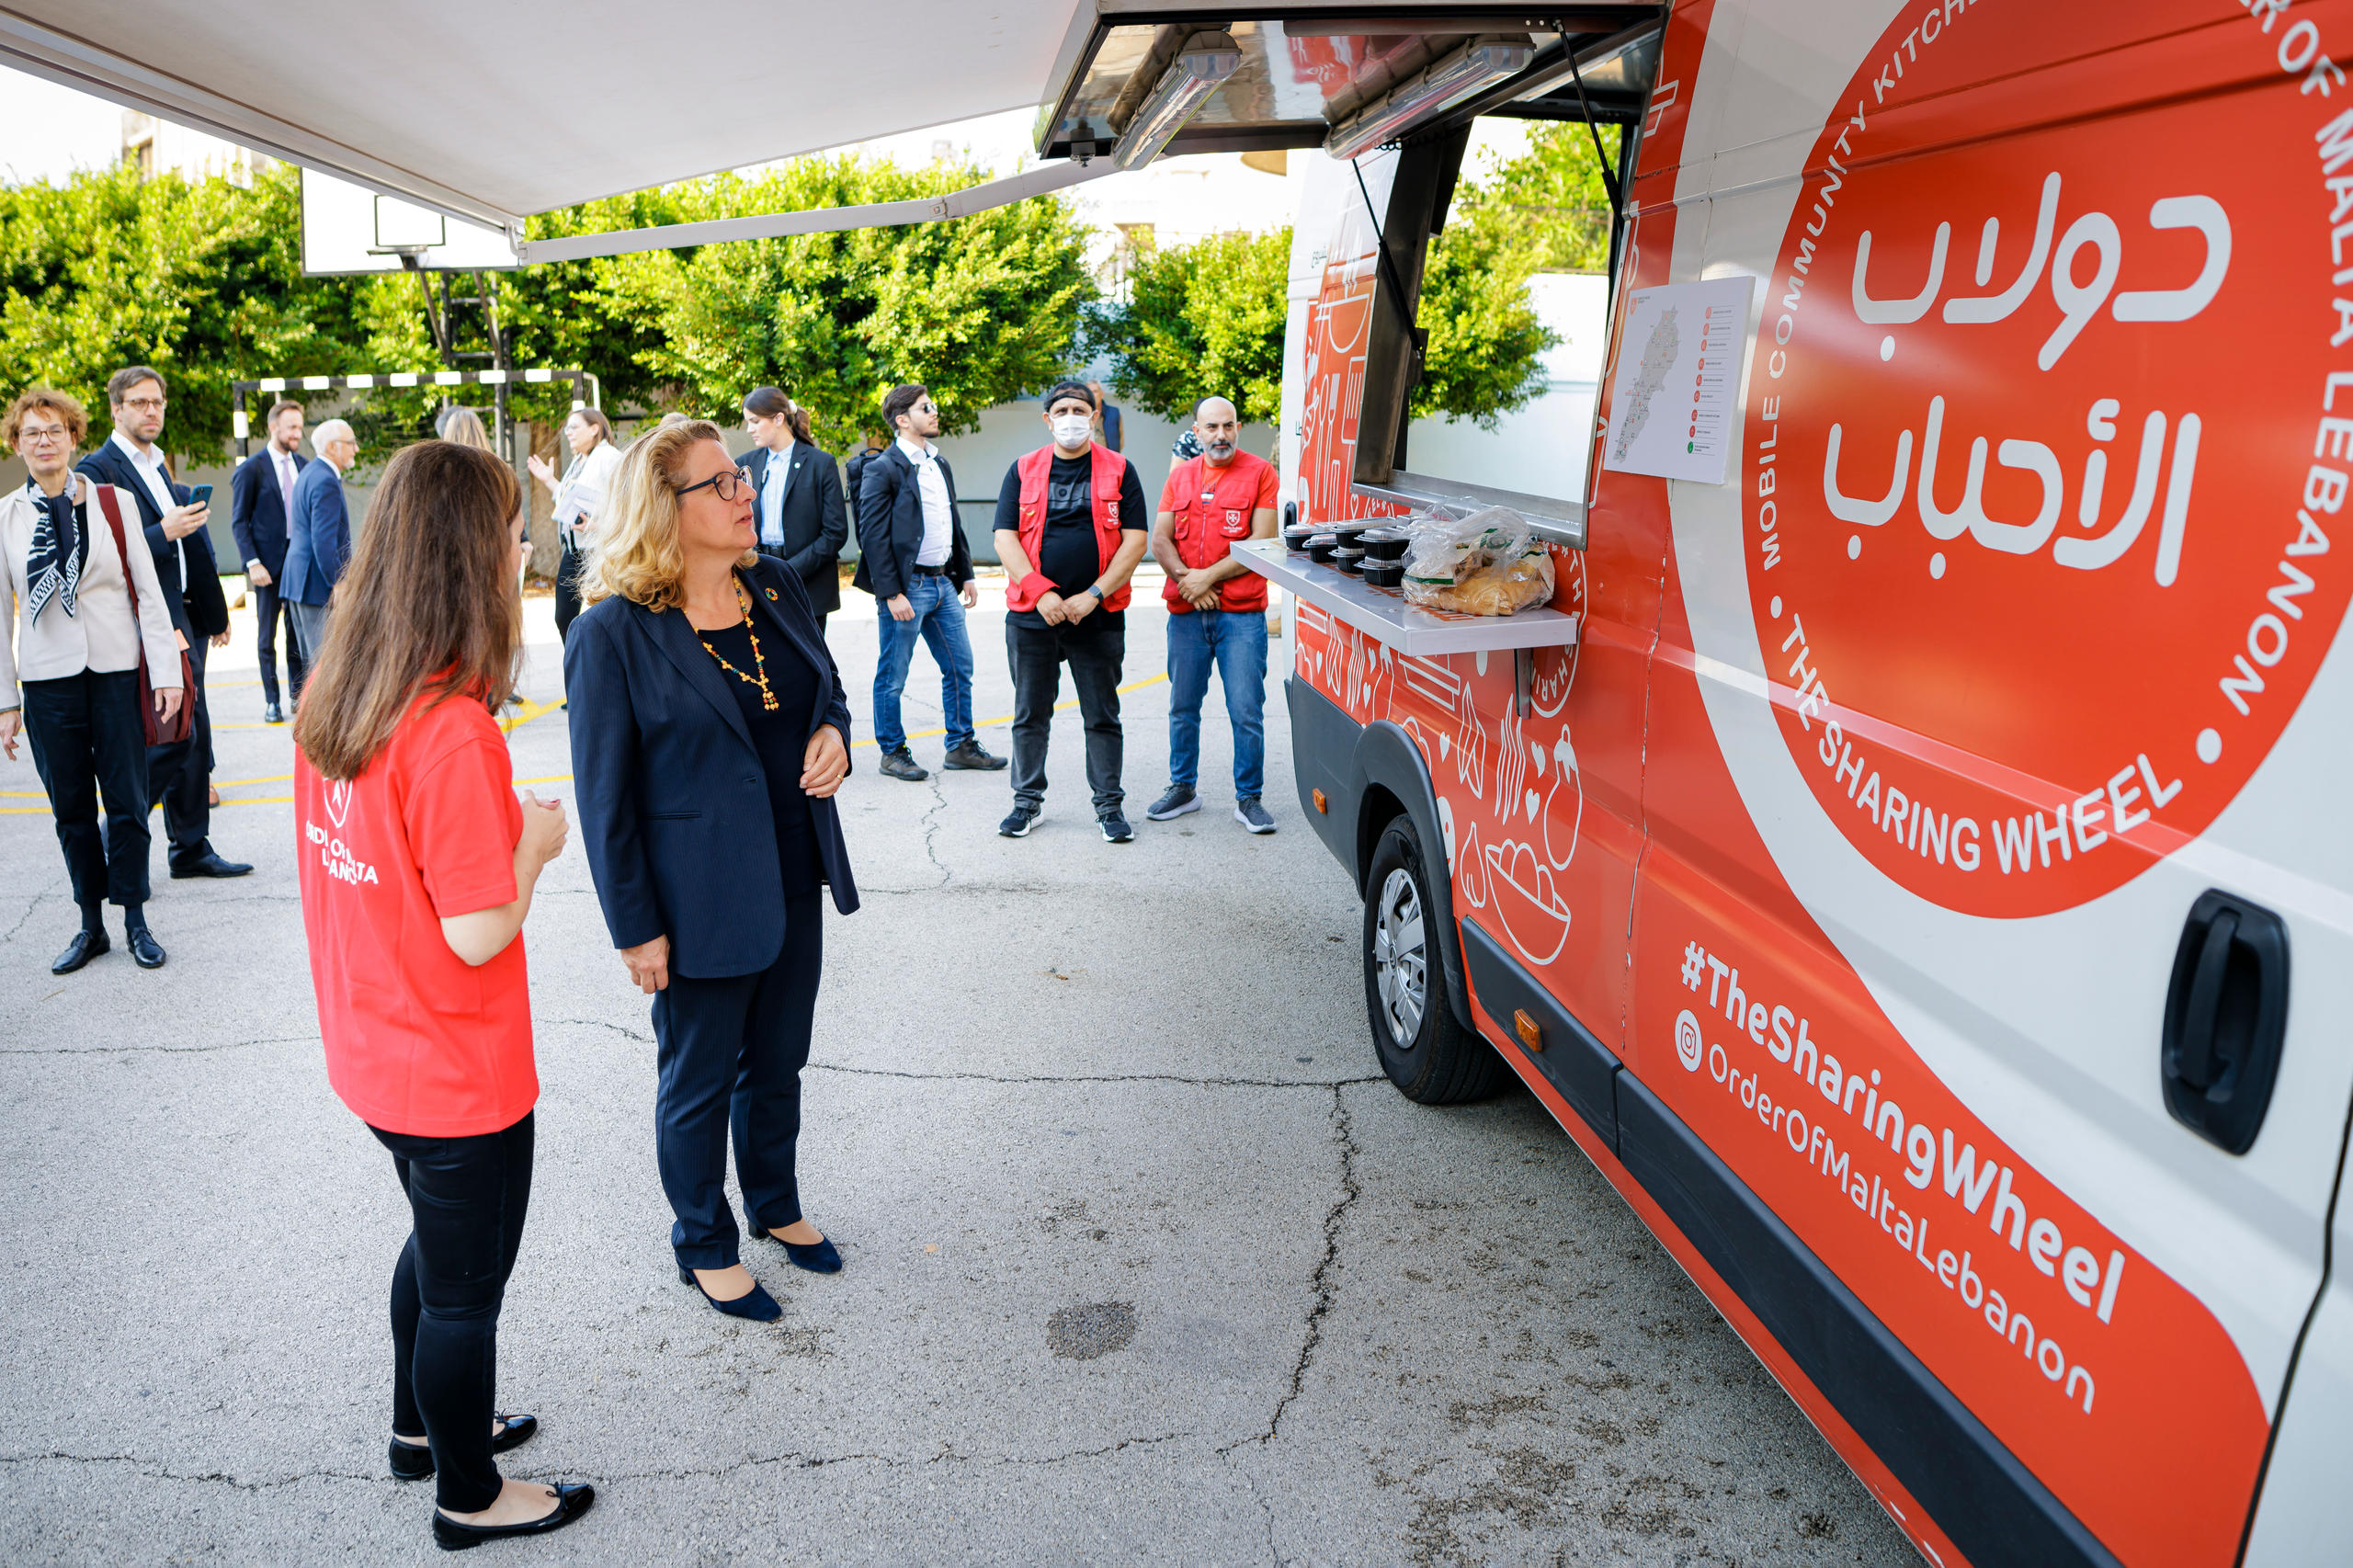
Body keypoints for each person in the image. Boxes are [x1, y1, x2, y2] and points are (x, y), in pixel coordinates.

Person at [291, 439, 595, 1552]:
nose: (525, 545)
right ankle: (470, 1495)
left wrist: (494, 827)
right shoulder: (451, 725)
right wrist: (536, 844)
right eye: (514, 529)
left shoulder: (345, 680)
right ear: (470, 555)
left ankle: (419, 1428)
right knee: (465, 1289)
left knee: (433, 1247)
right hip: (453, 1068)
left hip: (373, 1046)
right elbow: (478, 929)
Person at [565, 420, 859, 1323]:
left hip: (792, 867)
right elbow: (603, 798)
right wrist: (634, 926)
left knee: (777, 1060)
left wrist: (835, 735)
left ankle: (774, 1201)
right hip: (694, 898)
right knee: (697, 1075)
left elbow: (827, 686)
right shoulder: (613, 632)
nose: (745, 493)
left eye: (741, 478)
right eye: (722, 483)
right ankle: (702, 1238)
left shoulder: (773, 585)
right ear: (667, 507)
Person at [0, 386, 185, 973]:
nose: (44, 441)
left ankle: (135, 918)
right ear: (17, 445)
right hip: (48, 682)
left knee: (128, 800)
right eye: (32, 432)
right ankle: (90, 924)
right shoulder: (6, 515)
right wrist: (6, 702)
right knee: (71, 807)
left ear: (75, 437)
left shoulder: (113, 502)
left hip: (114, 671)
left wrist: (165, 672)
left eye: (54, 430)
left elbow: (149, 594)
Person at [76, 365, 248, 881]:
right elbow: (97, 553)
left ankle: (190, 846)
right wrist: (162, 531)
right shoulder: (97, 469)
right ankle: (115, 842)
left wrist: (213, 615)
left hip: (185, 619)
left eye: (157, 402)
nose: (151, 411)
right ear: (116, 409)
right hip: (140, 626)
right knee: (173, 738)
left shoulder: (157, 465)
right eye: (140, 403)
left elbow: (194, 547)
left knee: (195, 734)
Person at [991, 379, 1149, 843]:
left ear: (1095, 416)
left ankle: (1108, 807)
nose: (1071, 419)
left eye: (1080, 410)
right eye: (1061, 411)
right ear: (1047, 419)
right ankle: (1026, 803)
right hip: (1032, 614)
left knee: (1101, 715)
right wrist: (1041, 593)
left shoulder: (1120, 470)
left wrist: (1093, 594)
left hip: (1097, 615)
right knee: (1030, 713)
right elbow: (1005, 537)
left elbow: (1135, 540)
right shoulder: (1022, 469)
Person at [854, 384, 1004, 782]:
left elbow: (951, 523)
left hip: (943, 586)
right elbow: (872, 535)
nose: (935, 413)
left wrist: (966, 573)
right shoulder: (882, 468)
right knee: (893, 675)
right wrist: (890, 592)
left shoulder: (939, 464)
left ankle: (961, 746)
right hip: (909, 588)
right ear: (903, 419)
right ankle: (892, 752)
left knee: (960, 667)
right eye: (926, 408)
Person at [1148, 395, 1281, 834]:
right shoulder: (1180, 476)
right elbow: (1161, 540)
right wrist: (1190, 580)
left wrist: (1205, 579)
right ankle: (1183, 788)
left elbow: (1262, 542)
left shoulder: (1261, 472)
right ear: (1197, 431)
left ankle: (1249, 798)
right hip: (1186, 614)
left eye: (1227, 426)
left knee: (1246, 709)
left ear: (1237, 427)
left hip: (1241, 617)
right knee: (1183, 706)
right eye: (1211, 427)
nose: (1220, 435)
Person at [230, 399, 310, 723]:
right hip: (266, 568)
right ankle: (271, 701)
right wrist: (252, 562)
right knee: (267, 638)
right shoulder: (251, 468)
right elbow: (239, 521)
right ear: (273, 427)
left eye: (300, 428)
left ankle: (298, 697)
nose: (297, 433)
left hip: (298, 567)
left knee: (297, 636)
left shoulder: (304, 464)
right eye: (291, 427)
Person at [741, 387, 847, 631]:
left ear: (779, 419)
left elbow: (835, 532)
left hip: (809, 582)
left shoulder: (821, 463)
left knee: (813, 663)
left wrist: (790, 570)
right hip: (758, 577)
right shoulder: (746, 464)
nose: (749, 429)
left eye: (755, 421)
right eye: (748, 422)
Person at [526, 406, 619, 644]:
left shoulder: (608, 457)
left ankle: (597, 659)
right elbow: (571, 500)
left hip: (598, 550)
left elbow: (625, 504)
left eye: (574, 427)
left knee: (607, 613)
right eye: (567, 428)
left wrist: (596, 526)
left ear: (595, 428)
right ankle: (579, 658)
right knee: (563, 616)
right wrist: (549, 480)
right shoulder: (580, 459)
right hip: (574, 549)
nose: (568, 433)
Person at [283, 416, 358, 684]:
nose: (355, 449)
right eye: (350, 443)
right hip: (316, 583)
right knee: (324, 666)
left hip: (300, 579)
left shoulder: (310, 472)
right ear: (331, 447)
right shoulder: (325, 480)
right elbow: (324, 541)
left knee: (312, 663)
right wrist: (338, 581)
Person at [1087, 381, 1124, 453]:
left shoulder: (1114, 413)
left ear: (1102, 394)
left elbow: (1121, 441)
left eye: (1095, 391)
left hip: (1109, 459)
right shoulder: (1082, 414)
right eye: (1089, 392)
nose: (1092, 395)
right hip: (1088, 460)